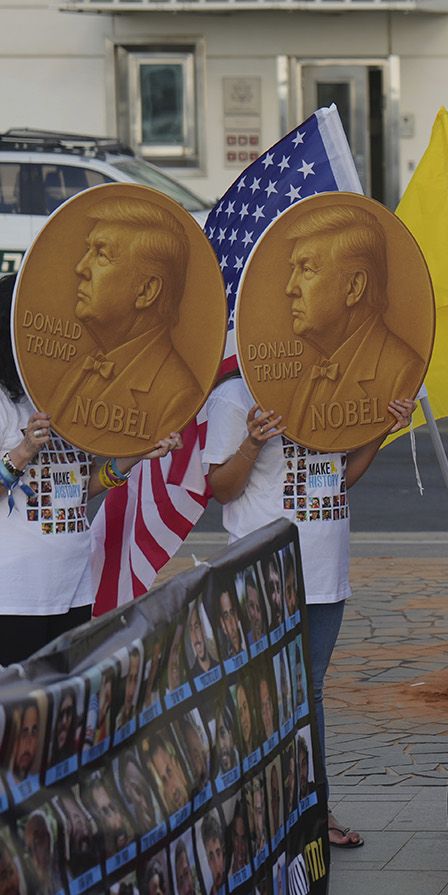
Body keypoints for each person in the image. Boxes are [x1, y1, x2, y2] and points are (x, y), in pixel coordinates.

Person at [204, 368, 411, 850]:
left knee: (307, 693)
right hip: (264, 571)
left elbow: (339, 477)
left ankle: (311, 810)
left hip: (324, 573)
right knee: (261, 696)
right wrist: (253, 443)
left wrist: (382, 428)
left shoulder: (335, 385)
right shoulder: (235, 397)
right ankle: (250, 816)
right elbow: (222, 488)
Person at [0, 274, 181, 665]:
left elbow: (80, 489)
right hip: (16, 593)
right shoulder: (3, 403)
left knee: (63, 706)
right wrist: (24, 449)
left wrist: (135, 454)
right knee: (17, 714)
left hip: (74, 583)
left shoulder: (73, 396)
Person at [47, 196, 203, 444]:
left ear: (146, 290)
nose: (81, 267)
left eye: (101, 255)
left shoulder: (178, 396)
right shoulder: (79, 370)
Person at [280, 205, 427, 432]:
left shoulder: (401, 370)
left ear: (354, 287)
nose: (290, 288)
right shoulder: (315, 371)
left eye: (307, 269)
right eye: (293, 269)